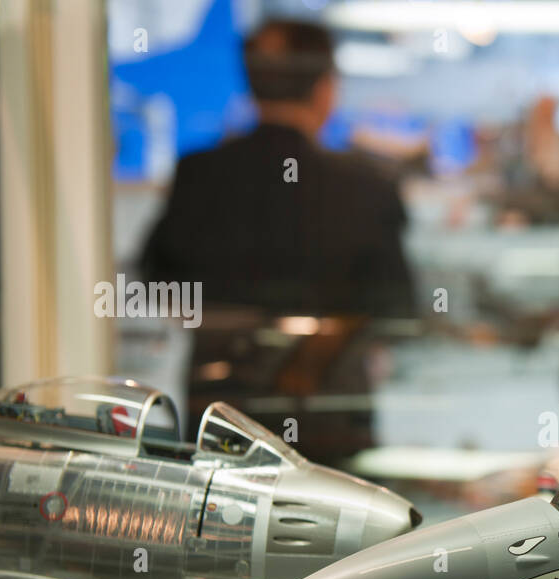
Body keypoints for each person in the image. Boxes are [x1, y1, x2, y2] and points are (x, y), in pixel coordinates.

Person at [140, 18, 414, 459]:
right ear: (326, 90)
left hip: (222, 419)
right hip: (330, 422)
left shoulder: (198, 175)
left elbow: (157, 282)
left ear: (251, 86)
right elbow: (399, 307)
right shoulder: (368, 187)